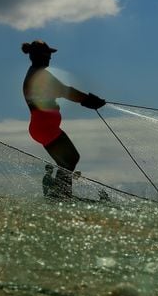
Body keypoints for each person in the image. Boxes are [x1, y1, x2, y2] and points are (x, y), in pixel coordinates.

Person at [22, 40, 105, 199]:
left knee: (68, 161)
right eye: (48, 54)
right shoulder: (40, 75)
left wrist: (88, 100)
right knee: (71, 159)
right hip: (44, 126)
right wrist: (89, 100)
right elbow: (65, 91)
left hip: (42, 127)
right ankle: (62, 195)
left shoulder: (35, 73)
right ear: (39, 55)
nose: (50, 58)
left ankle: (60, 194)